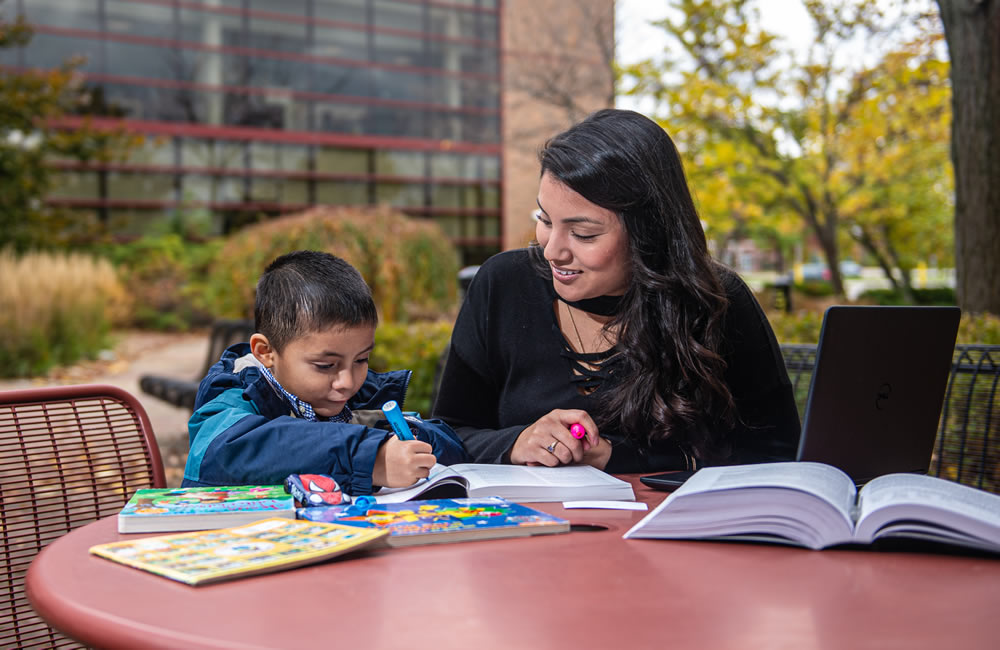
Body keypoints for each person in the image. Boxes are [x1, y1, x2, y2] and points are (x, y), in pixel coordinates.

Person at [432, 108, 800, 473]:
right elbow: (447, 434)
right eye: (545, 220)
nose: (552, 251)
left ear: (648, 234)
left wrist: (620, 455)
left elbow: (776, 454)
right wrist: (514, 443)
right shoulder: (503, 283)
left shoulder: (716, 301)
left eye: (583, 234)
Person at [183, 250, 468, 493]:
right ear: (266, 352)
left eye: (361, 359)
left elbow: (452, 446)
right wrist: (369, 457)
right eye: (325, 366)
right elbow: (222, 453)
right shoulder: (235, 398)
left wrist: (417, 443)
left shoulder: (360, 397)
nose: (347, 382)